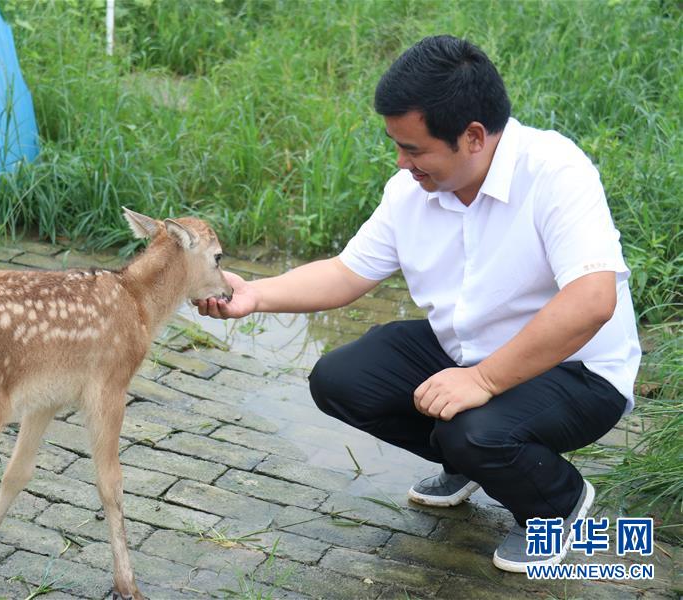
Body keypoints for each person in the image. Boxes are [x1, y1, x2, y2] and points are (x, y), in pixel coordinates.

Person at [194, 35, 641, 572]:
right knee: (341, 379)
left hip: (577, 372)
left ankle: (557, 502)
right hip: (470, 351)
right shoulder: (411, 189)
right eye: (396, 145)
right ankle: (480, 462)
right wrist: (256, 294)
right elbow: (345, 272)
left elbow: (593, 302)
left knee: (471, 429)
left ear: (473, 137)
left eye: (414, 148)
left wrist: (481, 382)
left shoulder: (555, 173)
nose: (402, 162)